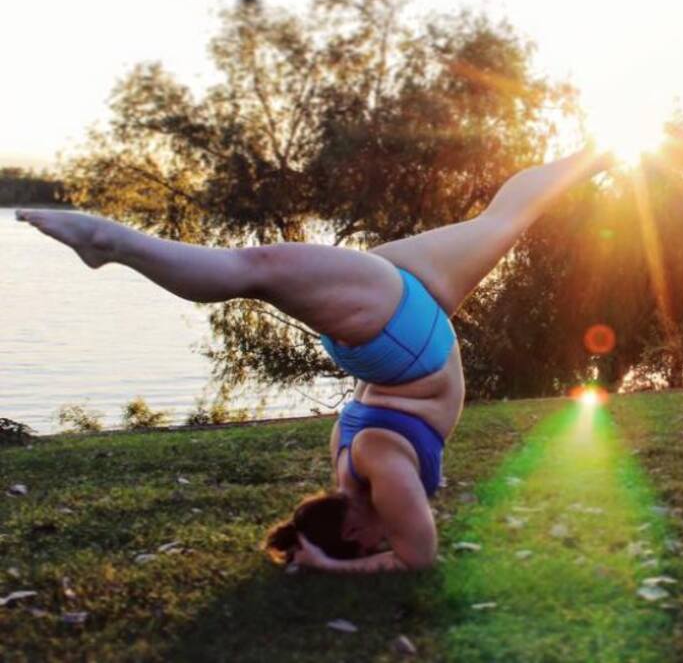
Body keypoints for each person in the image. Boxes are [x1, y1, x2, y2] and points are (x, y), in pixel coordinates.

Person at [17, 146, 612, 573]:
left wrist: (331, 564)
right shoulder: (356, 465)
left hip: (404, 334)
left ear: (352, 527)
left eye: (370, 541)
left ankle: (113, 244)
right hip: (402, 330)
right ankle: (595, 155)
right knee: (501, 220)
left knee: (258, 270)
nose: (387, 535)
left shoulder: (377, 469)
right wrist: (327, 554)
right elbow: (410, 548)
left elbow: (417, 556)